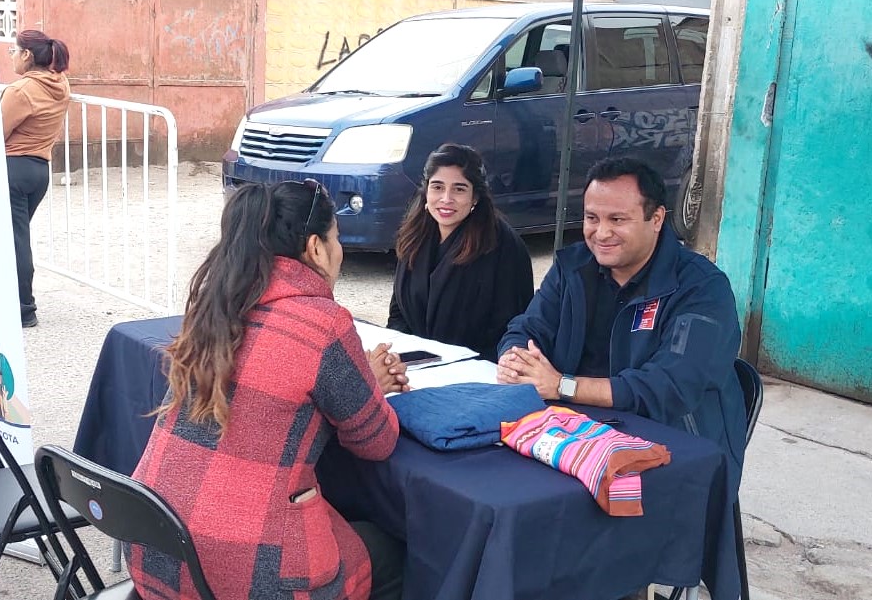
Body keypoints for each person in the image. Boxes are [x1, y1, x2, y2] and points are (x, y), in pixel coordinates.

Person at [128, 180, 409, 600]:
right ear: (315, 248)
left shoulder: (214, 306)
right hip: (244, 576)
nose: (340, 250)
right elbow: (378, 441)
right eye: (336, 238)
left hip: (156, 550)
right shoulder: (323, 323)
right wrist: (369, 382)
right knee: (390, 554)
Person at [497, 157, 748, 488]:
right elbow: (527, 328)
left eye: (617, 219)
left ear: (656, 219)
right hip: (575, 432)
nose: (601, 233)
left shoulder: (701, 287)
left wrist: (563, 386)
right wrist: (515, 359)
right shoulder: (573, 268)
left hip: (672, 450)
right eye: (592, 218)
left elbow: (670, 386)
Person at [387, 144, 534, 359]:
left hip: (478, 366)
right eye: (437, 187)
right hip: (416, 363)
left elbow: (510, 327)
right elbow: (398, 313)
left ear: (475, 197)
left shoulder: (502, 246)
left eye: (459, 189)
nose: (446, 198)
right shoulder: (415, 234)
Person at [1, 29, 71, 328]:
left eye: (13, 51)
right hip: (39, 170)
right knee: (12, 237)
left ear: (27, 55)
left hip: (13, 168)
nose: (11, 57)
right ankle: (5, 298)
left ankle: (24, 309)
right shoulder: (60, 84)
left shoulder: (21, 91)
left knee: (15, 240)